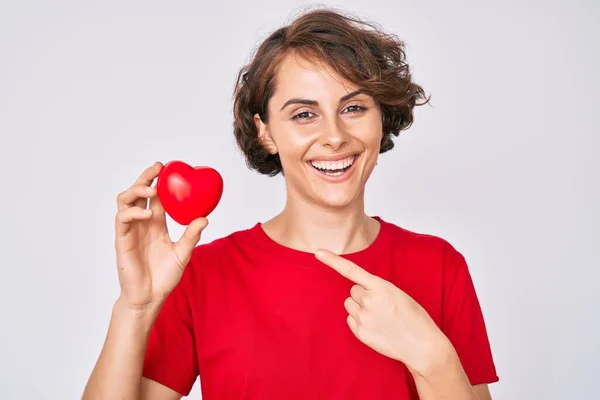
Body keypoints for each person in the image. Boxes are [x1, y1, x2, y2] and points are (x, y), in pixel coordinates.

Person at [82, 7, 498, 400]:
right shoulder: (204, 274)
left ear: (380, 117)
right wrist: (136, 308)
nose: (334, 136)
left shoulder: (439, 266)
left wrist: (431, 356)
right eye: (303, 114)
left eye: (353, 107)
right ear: (265, 132)